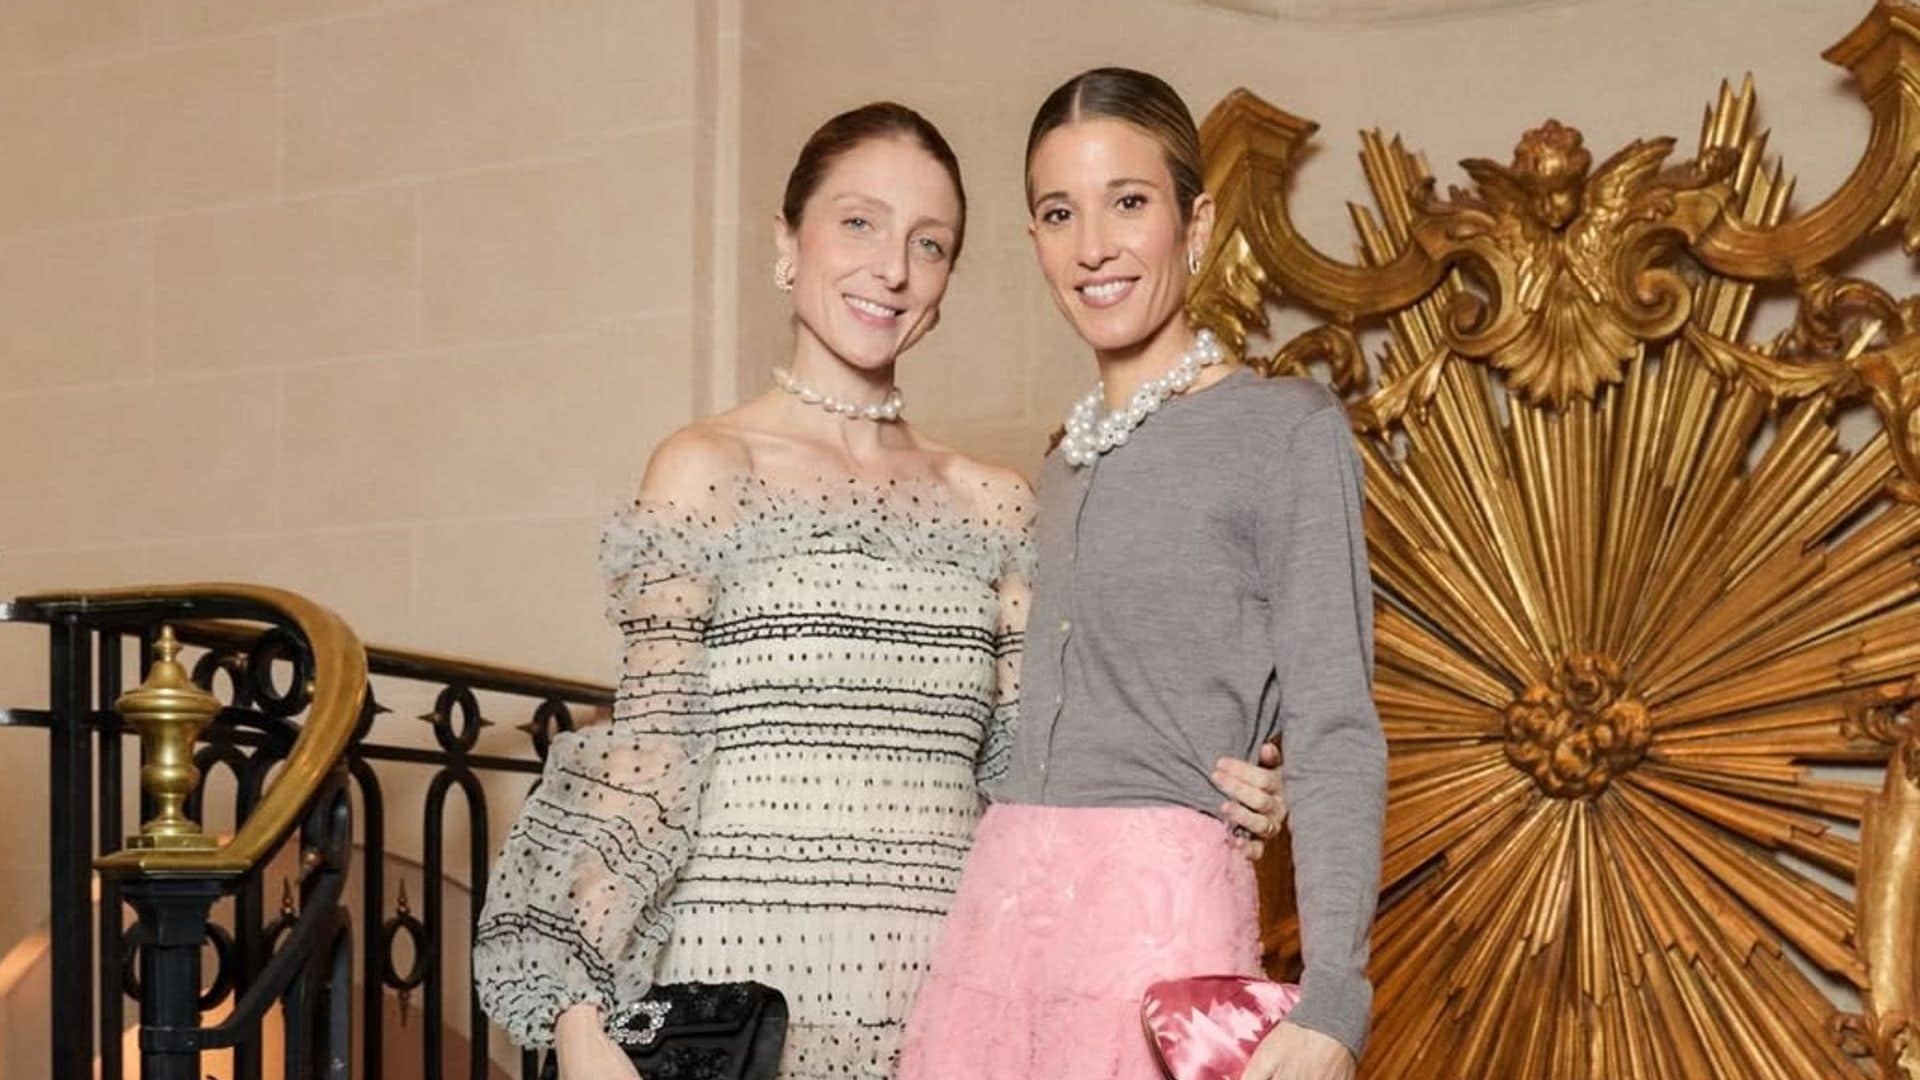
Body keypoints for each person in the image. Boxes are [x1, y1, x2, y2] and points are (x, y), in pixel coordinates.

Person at [471, 100, 1289, 1080]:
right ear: (789, 242)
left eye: (929, 243)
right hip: (735, 1012)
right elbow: (645, 768)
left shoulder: (995, 504)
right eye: (859, 222)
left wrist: (1227, 783)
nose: (892, 267)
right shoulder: (705, 468)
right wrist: (576, 1012)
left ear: (946, 282)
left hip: (941, 1020)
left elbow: (1048, 769)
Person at [898, 68, 1386, 1080]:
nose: (1094, 246)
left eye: (1129, 203)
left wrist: (1335, 1000)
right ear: (1033, 240)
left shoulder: (1284, 430)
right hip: (999, 917)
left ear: (1194, 223)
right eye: (1058, 212)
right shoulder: (1065, 462)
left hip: (1154, 926)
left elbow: (1337, 724)